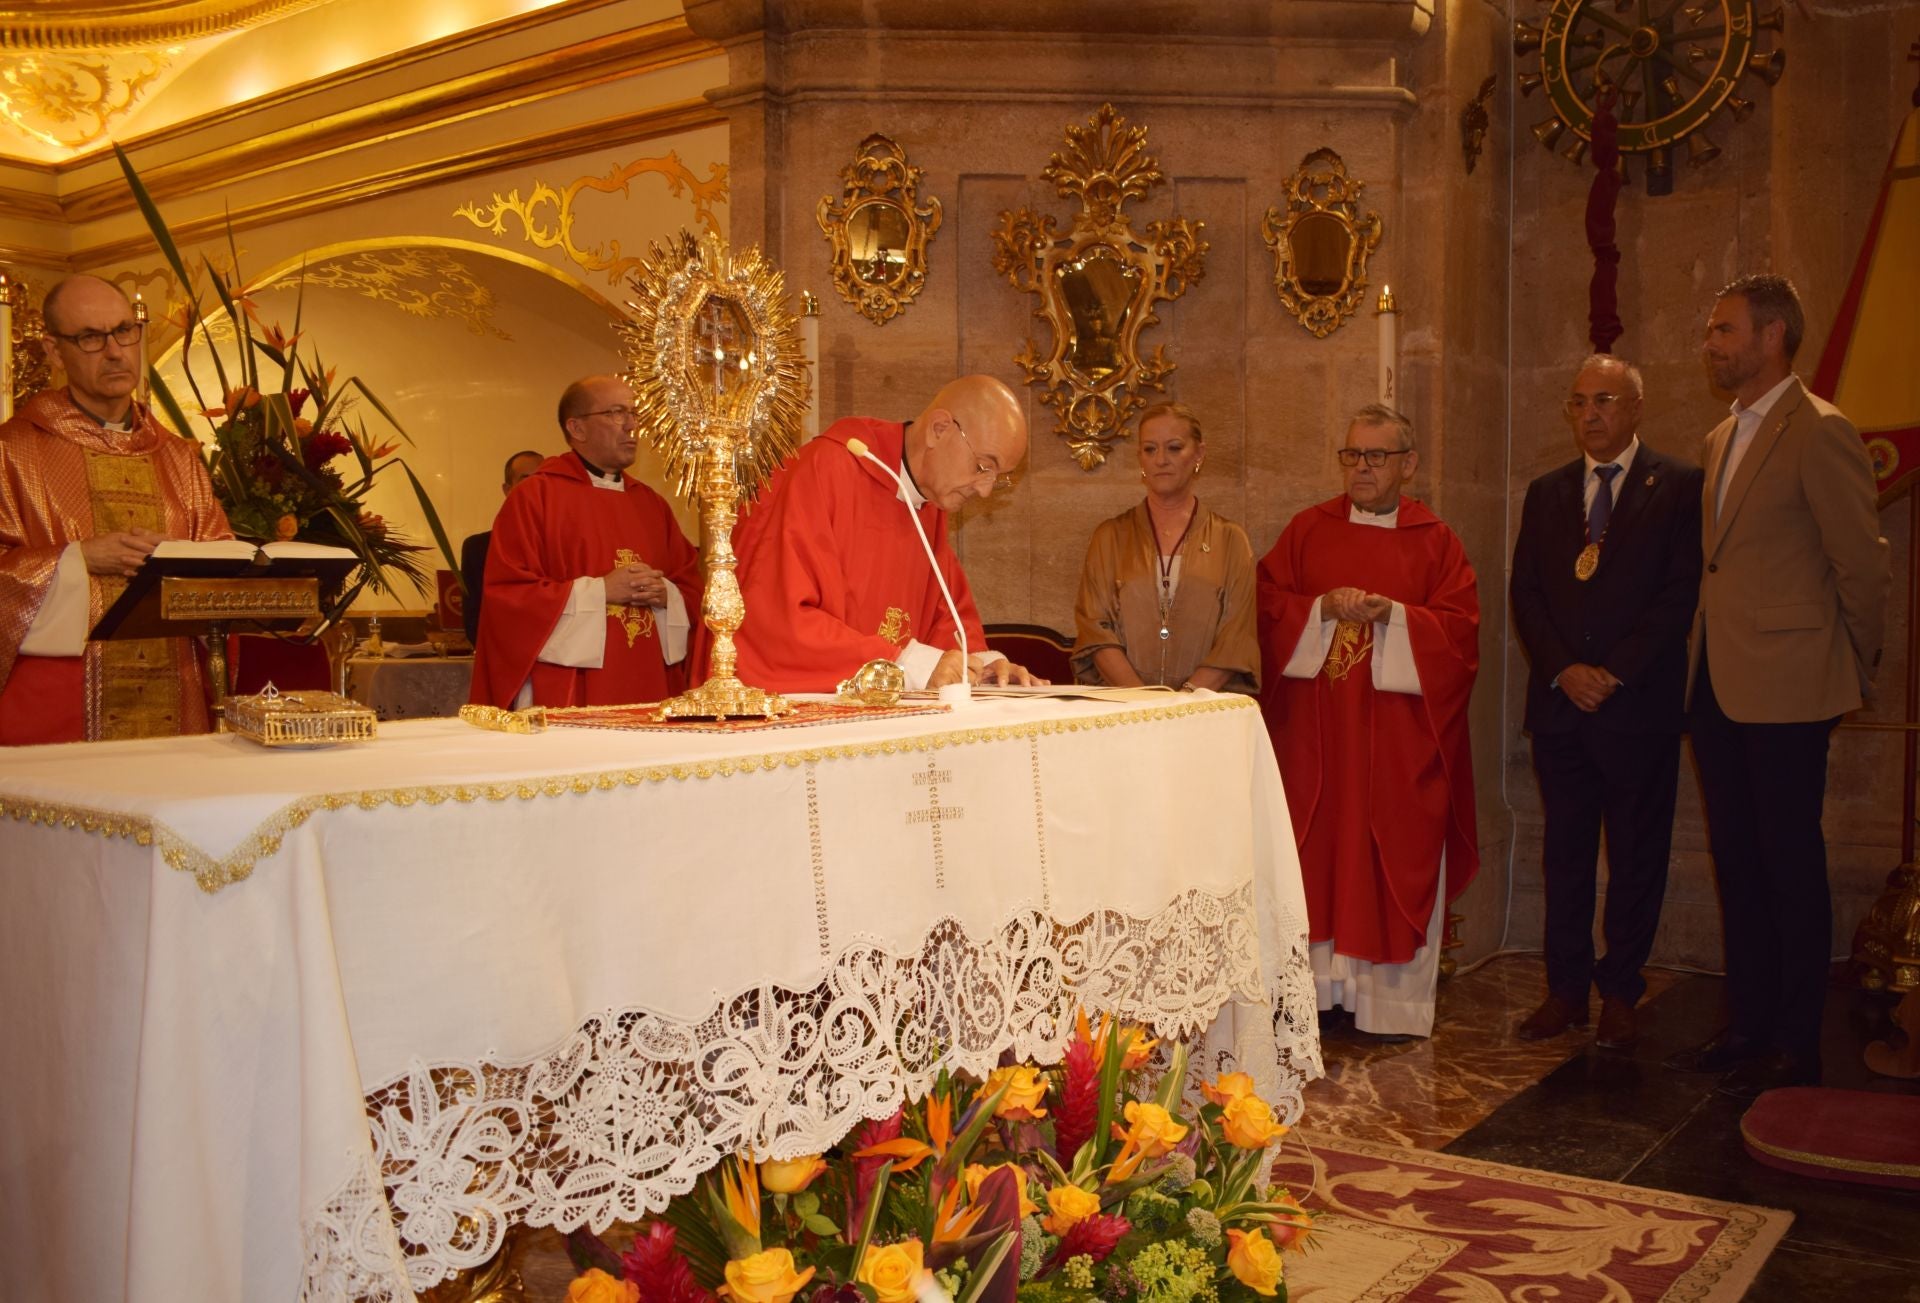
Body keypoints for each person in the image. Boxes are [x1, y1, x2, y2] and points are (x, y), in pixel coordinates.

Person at [1666, 274, 1889, 1096]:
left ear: (1772, 337)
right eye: (1710, 330)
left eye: (1724, 330)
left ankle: (1798, 1040)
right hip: (1718, 682)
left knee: (1790, 864)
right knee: (1738, 860)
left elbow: (1860, 565)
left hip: (1791, 686)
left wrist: (1851, 665)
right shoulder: (1721, 436)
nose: (1710, 344)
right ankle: (1749, 1024)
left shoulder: (1821, 430)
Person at [1256, 404, 1480, 1038]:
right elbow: (1265, 604)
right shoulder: (1308, 530)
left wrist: (1397, 618)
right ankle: (1316, 996)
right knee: (1317, 856)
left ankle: (1388, 1006)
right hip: (1317, 742)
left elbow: (1461, 635)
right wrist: (1321, 608)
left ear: (1408, 464)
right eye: (1352, 454)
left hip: (1397, 744)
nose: (1361, 467)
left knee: (1388, 855)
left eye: (1376, 456)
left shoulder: (1436, 542)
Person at [1510, 355, 1704, 1049]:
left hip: (1636, 707)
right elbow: (1526, 592)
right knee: (1565, 855)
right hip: (1562, 708)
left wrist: (1612, 672)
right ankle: (1565, 990)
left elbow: (1679, 594)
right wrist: (1565, 669)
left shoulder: (1678, 484)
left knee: (1636, 854)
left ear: (1636, 408)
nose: (1590, 414)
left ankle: (1621, 989)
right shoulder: (1548, 491)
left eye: (1605, 401)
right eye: (1579, 402)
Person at [0, 274, 234, 744]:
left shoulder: (177, 456)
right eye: (90, 337)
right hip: (59, 704)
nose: (114, 351)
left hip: (177, 696)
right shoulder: (13, 450)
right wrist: (78, 559)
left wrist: (183, 563)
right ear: (53, 351)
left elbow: (223, 562)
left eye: (124, 331)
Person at [728, 374, 1045, 693]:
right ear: (939, 429)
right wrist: (902, 664)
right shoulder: (824, 472)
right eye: (982, 467)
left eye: (997, 478)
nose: (985, 490)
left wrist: (981, 666)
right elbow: (775, 620)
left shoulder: (927, 501)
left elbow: (945, 617)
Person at [469, 375, 701, 709]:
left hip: (650, 683)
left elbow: (691, 588)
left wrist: (668, 595)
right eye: (616, 413)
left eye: (634, 413)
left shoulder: (651, 504)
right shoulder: (536, 497)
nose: (631, 425)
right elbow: (510, 598)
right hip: (569, 688)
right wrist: (602, 591)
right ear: (577, 428)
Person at [1070, 403, 1258, 692]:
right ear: (1140, 458)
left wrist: (1184, 703)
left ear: (1199, 454)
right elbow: (1096, 631)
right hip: (1125, 707)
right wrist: (1144, 702)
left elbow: (1235, 639)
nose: (1160, 460)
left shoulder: (1231, 540)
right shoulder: (1109, 537)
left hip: (1203, 708)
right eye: (1150, 449)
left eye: (1174, 448)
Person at [460, 448, 543, 646]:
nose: (537, 486)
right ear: (508, 489)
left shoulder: (566, 544)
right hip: (503, 652)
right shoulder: (478, 548)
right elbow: (475, 622)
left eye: (542, 479)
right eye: (526, 479)